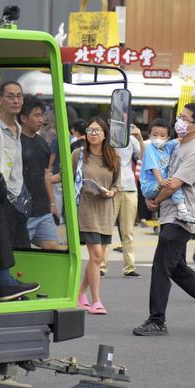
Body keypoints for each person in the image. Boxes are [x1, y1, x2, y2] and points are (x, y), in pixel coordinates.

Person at [133, 103, 195, 336]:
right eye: (180, 116)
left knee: (161, 267)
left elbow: (174, 184)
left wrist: (154, 201)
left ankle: (157, 320)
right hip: (170, 213)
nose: (179, 121)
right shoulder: (178, 144)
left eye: (184, 118)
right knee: (177, 268)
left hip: (182, 216)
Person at [0, 82, 38, 300]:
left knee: (14, 242)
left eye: (19, 96)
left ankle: (7, 282)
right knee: (1, 239)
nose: (16, 100)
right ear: (0, 99)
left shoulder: (18, 129)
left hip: (16, 195)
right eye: (10, 96)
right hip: (1, 194)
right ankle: (5, 283)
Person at [73, 118, 120, 315]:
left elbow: (117, 184)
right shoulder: (78, 154)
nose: (93, 133)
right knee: (97, 255)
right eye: (90, 130)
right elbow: (67, 177)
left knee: (96, 258)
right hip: (86, 210)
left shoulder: (113, 157)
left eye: (97, 130)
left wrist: (112, 192)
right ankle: (96, 301)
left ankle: (80, 294)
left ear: (105, 134)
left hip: (105, 211)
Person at [101, 123, 143, 278]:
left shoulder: (131, 140)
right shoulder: (106, 140)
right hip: (112, 188)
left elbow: (142, 157)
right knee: (106, 229)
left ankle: (129, 267)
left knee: (128, 230)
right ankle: (101, 266)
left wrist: (140, 138)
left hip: (129, 187)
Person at [19, 97, 59, 250]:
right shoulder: (15, 142)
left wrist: (52, 203)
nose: (41, 120)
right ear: (23, 118)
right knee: (20, 253)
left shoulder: (42, 143)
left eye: (42, 115)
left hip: (43, 211)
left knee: (52, 248)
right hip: (22, 211)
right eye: (36, 115)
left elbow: (46, 174)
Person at [140, 118, 195, 224]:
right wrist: (161, 181)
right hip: (149, 186)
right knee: (172, 184)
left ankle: (182, 211)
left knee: (173, 184)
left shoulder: (167, 146)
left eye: (162, 136)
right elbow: (154, 167)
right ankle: (183, 212)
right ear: (149, 136)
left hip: (160, 184)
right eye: (154, 135)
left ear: (168, 138)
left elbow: (179, 140)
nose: (158, 138)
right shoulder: (150, 148)